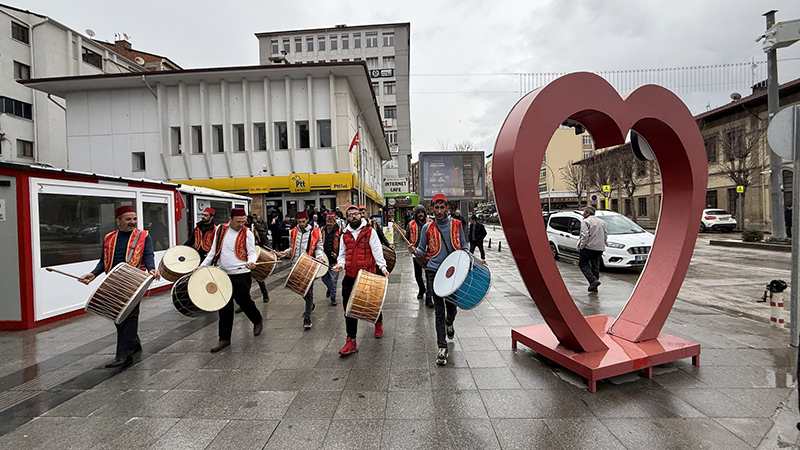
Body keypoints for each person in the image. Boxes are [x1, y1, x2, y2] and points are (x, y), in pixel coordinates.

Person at [78, 205, 161, 369]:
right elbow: (103, 261)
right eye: (128, 219)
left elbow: (148, 254)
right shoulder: (110, 237)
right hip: (114, 281)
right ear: (118, 221)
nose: (133, 222)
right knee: (118, 316)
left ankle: (124, 356)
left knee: (128, 317)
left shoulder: (143, 236)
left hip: (133, 281)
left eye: (135, 219)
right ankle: (134, 343)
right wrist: (93, 274)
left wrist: (151, 268)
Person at [409, 194, 485, 366]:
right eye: (436, 207)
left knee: (452, 308)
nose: (439, 211)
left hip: (453, 273)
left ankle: (450, 323)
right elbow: (422, 251)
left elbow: (464, 247)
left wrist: (477, 260)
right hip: (434, 272)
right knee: (438, 311)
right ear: (432, 209)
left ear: (447, 208)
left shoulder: (457, 224)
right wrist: (414, 251)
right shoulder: (426, 228)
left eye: (442, 207)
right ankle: (442, 347)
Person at [199, 208, 264, 353]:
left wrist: (251, 262)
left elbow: (252, 252)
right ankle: (224, 338)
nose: (241, 224)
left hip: (241, 273)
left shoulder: (247, 233)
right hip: (223, 273)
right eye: (238, 221)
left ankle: (257, 319)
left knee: (244, 301)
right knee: (224, 306)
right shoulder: (221, 229)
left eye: (243, 221)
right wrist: (202, 266)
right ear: (230, 219)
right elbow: (213, 250)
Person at [332, 205, 390, 355]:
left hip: (367, 276)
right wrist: (340, 264)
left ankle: (378, 322)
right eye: (350, 215)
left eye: (356, 214)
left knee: (372, 303)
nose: (354, 217)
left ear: (361, 215)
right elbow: (342, 254)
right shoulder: (344, 233)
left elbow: (377, 250)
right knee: (349, 309)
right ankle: (351, 340)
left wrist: (382, 267)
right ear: (347, 218)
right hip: (350, 276)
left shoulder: (370, 232)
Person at [278, 211, 325, 329]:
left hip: (309, 265)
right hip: (296, 265)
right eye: (299, 222)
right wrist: (286, 252)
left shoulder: (315, 231)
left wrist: (320, 257)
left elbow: (319, 248)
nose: (301, 224)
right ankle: (311, 305)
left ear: (307, 220)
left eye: (303, 222)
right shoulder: (293, 231)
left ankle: (307, 317)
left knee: (308, 291)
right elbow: (292, 247)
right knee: (300, 289)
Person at [406, 204, 432, 305]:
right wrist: (406, 234)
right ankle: (422, 289)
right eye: (418, 213)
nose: (420, 214)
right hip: (416, 252)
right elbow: (408, 236)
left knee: (429, 275)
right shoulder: (411, 224)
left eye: (422, 212)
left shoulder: (430, 222)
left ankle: (429, 298)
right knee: (417, 274)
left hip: (428, 252)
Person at [577, 206, 607, 292]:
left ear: (587, 213)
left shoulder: (585, 222)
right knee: (595, 266)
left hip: (588, 247)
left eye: (584, 212)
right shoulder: (601, 222)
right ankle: (594, 286)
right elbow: (605, 234)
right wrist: (603, 244)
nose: (583, 214)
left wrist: (581, 246)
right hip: (599, 248)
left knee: (583, 264)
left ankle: (593, 281)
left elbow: (585, 235)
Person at [320, 213, 341, 306]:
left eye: (330, 221)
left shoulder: (340, 232)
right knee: (324, 278)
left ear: (334, 222)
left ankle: (333, 298)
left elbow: (343, 247)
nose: (328, 223)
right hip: (324, 259)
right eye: (327, 221)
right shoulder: (321, 230)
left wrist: (337, 254)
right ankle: (330, 288)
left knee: (333, 280)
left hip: (334, 261)